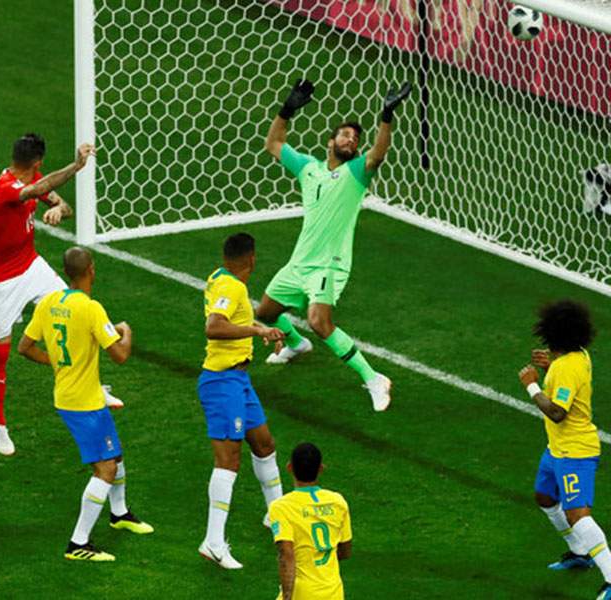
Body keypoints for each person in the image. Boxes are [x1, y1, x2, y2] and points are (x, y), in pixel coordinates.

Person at [256, 78, 412, 412]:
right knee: (265, 314)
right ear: (330, 142)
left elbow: (377, 154)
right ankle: (296, 344)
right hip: (299, 262)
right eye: (345, 134)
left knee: (319, 321)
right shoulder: (308, 168)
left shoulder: (357, 172)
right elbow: (273, 143)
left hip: (329, 264)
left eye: (355, 138)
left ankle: (374, 379)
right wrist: (287, 109)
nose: (351, 139)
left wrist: (386, 116)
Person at [0, 134, 120, 457]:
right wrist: (77, 166)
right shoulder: (2, 189)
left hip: (31, 266)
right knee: (0, 352)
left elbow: (63, 205)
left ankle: (94, 387)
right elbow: (34, 191)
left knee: (78, 310)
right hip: (0, 281)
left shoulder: (34, 179)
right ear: (38, 161)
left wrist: (58, 209)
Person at [18, 246, 152, 561]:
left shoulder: (49, 302)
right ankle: (78, 543)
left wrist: (55, 362)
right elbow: (120, 355)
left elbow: (25, 347)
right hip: (82, 404)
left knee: (115, 455)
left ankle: (119, 513)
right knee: (106, 468)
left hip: (75, 395)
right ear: (91, 269)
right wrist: (126, 332)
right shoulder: (91, 309)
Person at [197, 232, 286, 570]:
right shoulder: (232, 287)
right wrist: (257, 331)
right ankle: (213, 542)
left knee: (264, 444)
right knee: (228, 461)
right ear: (252, 258)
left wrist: (262, 328)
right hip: (221, 382)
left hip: (238, 381)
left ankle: (276, 515)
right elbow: (214, 327)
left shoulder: (220, 278)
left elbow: (231, 318)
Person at [518, 300, 611, 599]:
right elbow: (565, 383)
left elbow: (558, 412)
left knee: (578, 516)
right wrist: (549, 367)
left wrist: (531, 385)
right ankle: (580, 552)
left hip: (575, 452)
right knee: (545, 497)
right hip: (557, 449)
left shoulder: (566, 367)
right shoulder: (578, 356)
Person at [269, 442, 352, 600]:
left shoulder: (282, 507)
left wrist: (287, 597)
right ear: (321, 468)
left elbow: (286, 556)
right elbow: (345, 551)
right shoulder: (337, 502)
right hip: (333, 593)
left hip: (303, 593)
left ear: (289, 467)